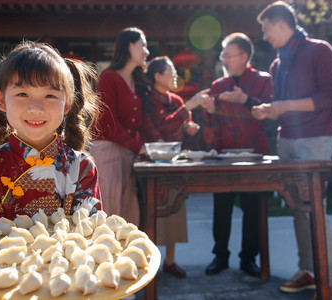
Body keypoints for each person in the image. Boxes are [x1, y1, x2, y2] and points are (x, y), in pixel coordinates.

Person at [0, 41, 102, 236]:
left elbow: (89, 236)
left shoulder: (81, 168)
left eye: (50, 96)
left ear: (67, 104)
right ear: (1, 100)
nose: (35, 108)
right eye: (22, 94)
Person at [253, 2, 332, 299]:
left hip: (315, 140)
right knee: (297, 209)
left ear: (281, 24)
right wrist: (269, 112)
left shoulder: (320, 49)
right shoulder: (278, 62)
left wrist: (287, 106)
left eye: (265, 29)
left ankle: (327, 281)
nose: (264, 36)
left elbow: (330, 95)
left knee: (315, 210)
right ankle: (308, 271)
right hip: (286, 139)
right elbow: (282, 105)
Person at [200, 33, 273, 277]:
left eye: (228, 55)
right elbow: (209, 120)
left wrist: (245, 100)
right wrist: (209, 110)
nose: (224, 60)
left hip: (254, 155)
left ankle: (249, 258)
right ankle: (220, 256)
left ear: (243, 56)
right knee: (222, 208)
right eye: (223, 56)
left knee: (253, 208)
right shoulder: (219, 85)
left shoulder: (264, 80)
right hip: (223, 155)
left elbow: (272, 112)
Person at [142, 56, 210, 278]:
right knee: (149, 212)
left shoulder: (177, 100)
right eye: (170, 70)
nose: (174, 74)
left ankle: (170, 260)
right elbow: (160, 127)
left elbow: (182, 126)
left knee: (175, 210)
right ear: (157, 76)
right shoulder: (146, 99)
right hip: (151, 163)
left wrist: (189, 128)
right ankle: (146, 260)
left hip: (174, 162)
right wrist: (188, 108)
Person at [89, 27, 161, 226]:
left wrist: (158, 142)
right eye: (143, 45)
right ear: (129, 46)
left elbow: (142, 120)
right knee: (109, 217)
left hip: (126, 153)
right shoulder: (109, 77)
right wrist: (140, 147)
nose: (146, 51)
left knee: (127, 216)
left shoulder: (135, 81)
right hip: (107, 154)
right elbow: (108, 123)